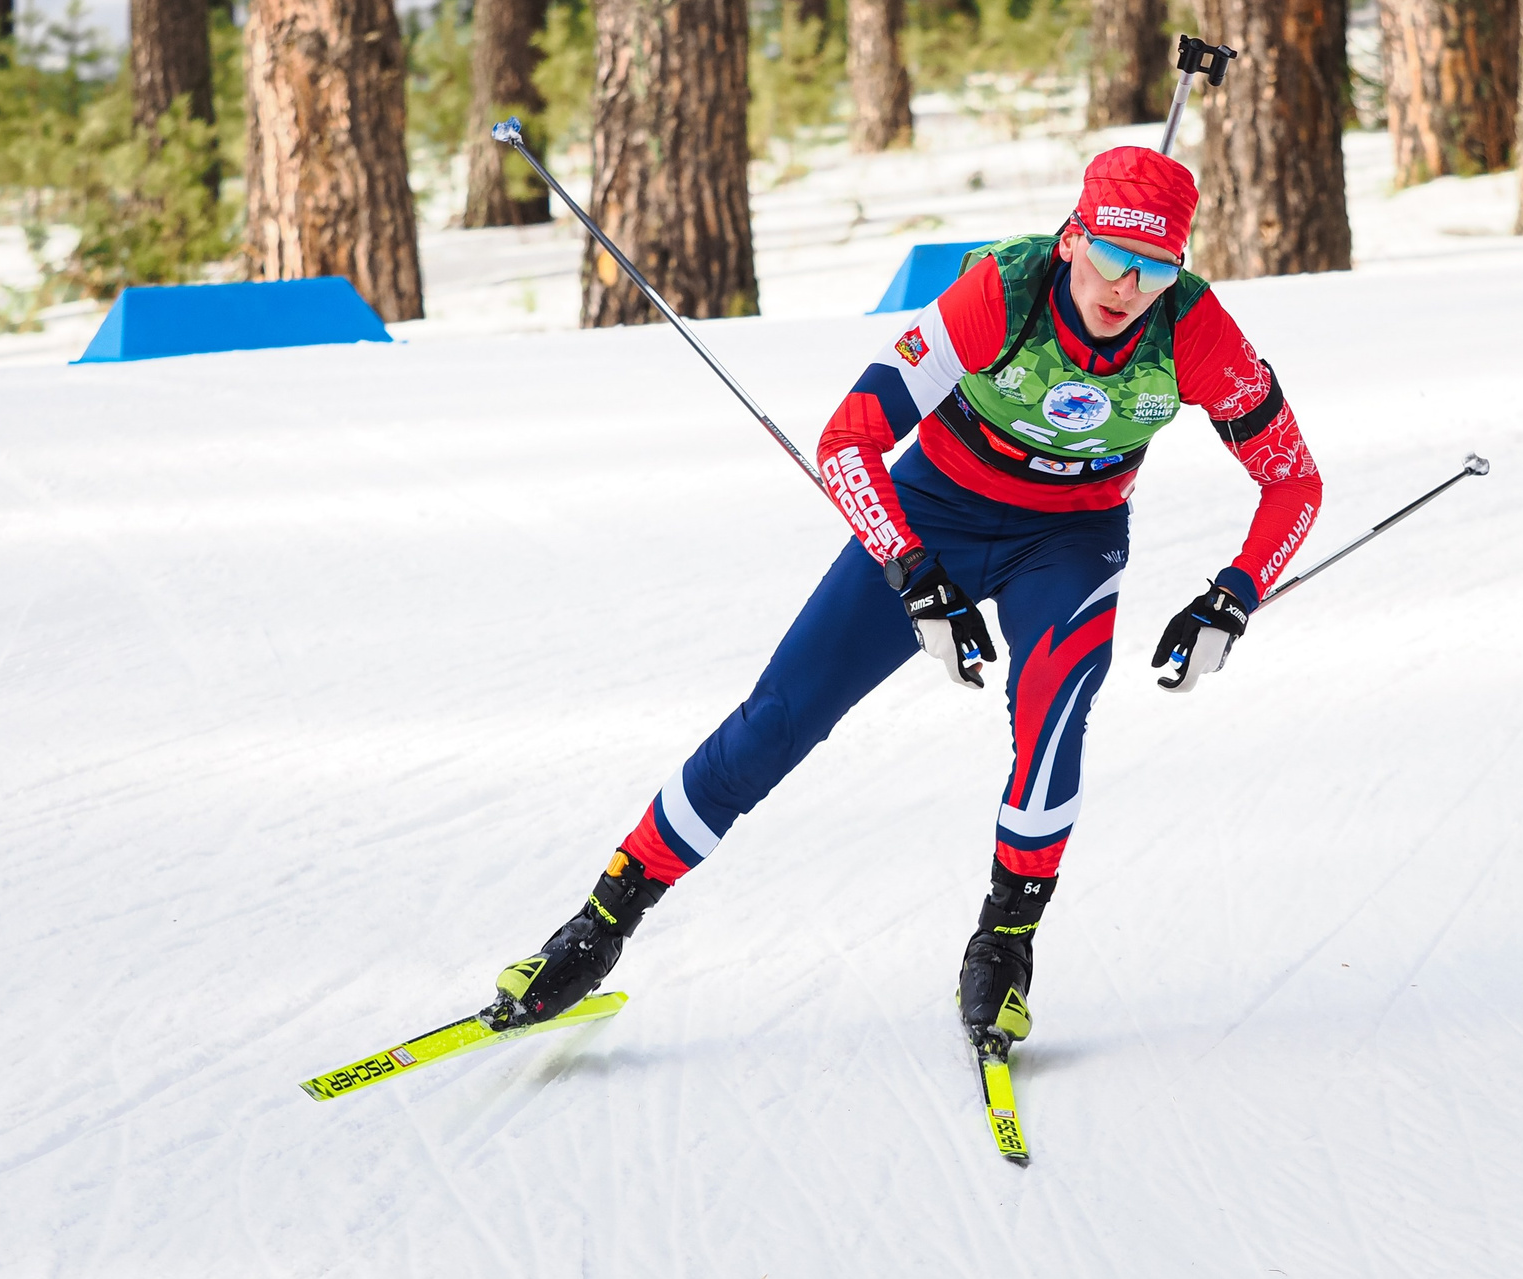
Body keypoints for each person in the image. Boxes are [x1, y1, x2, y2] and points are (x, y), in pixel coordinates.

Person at [483, 146, 1323, 1056]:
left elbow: (1294, 481)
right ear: (1074, 236)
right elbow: (849, 439)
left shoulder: (1196, 333)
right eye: (1113, 256)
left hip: (1072, 538)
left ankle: (1003, 948)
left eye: (1155, 268)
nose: (1126, 285)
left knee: (1053, 723)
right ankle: (601, 920)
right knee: (779, 718)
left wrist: (1233, 597)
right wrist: (914, 571)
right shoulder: (1003, 292)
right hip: (937, 509)